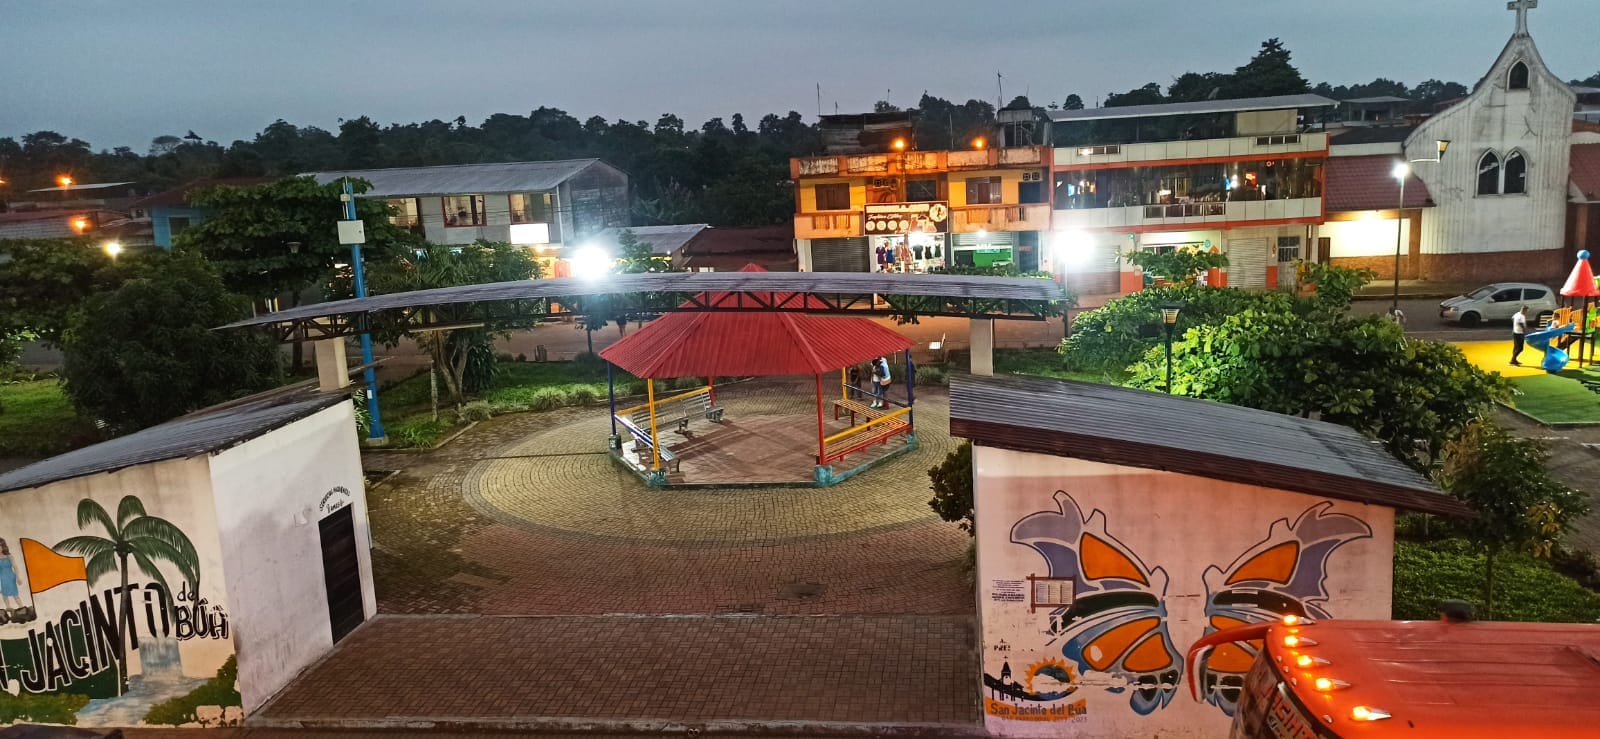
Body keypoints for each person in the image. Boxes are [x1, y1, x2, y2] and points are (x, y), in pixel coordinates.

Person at [0, 538, 25, 619]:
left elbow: (15, 567)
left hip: (10, 577)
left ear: (3, 546)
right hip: (2, 578)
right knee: (4, 595)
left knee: (15, 595)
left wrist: (18, 577)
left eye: (0, 546)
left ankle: (22, 609)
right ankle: (9, 611)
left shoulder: (9, 556)